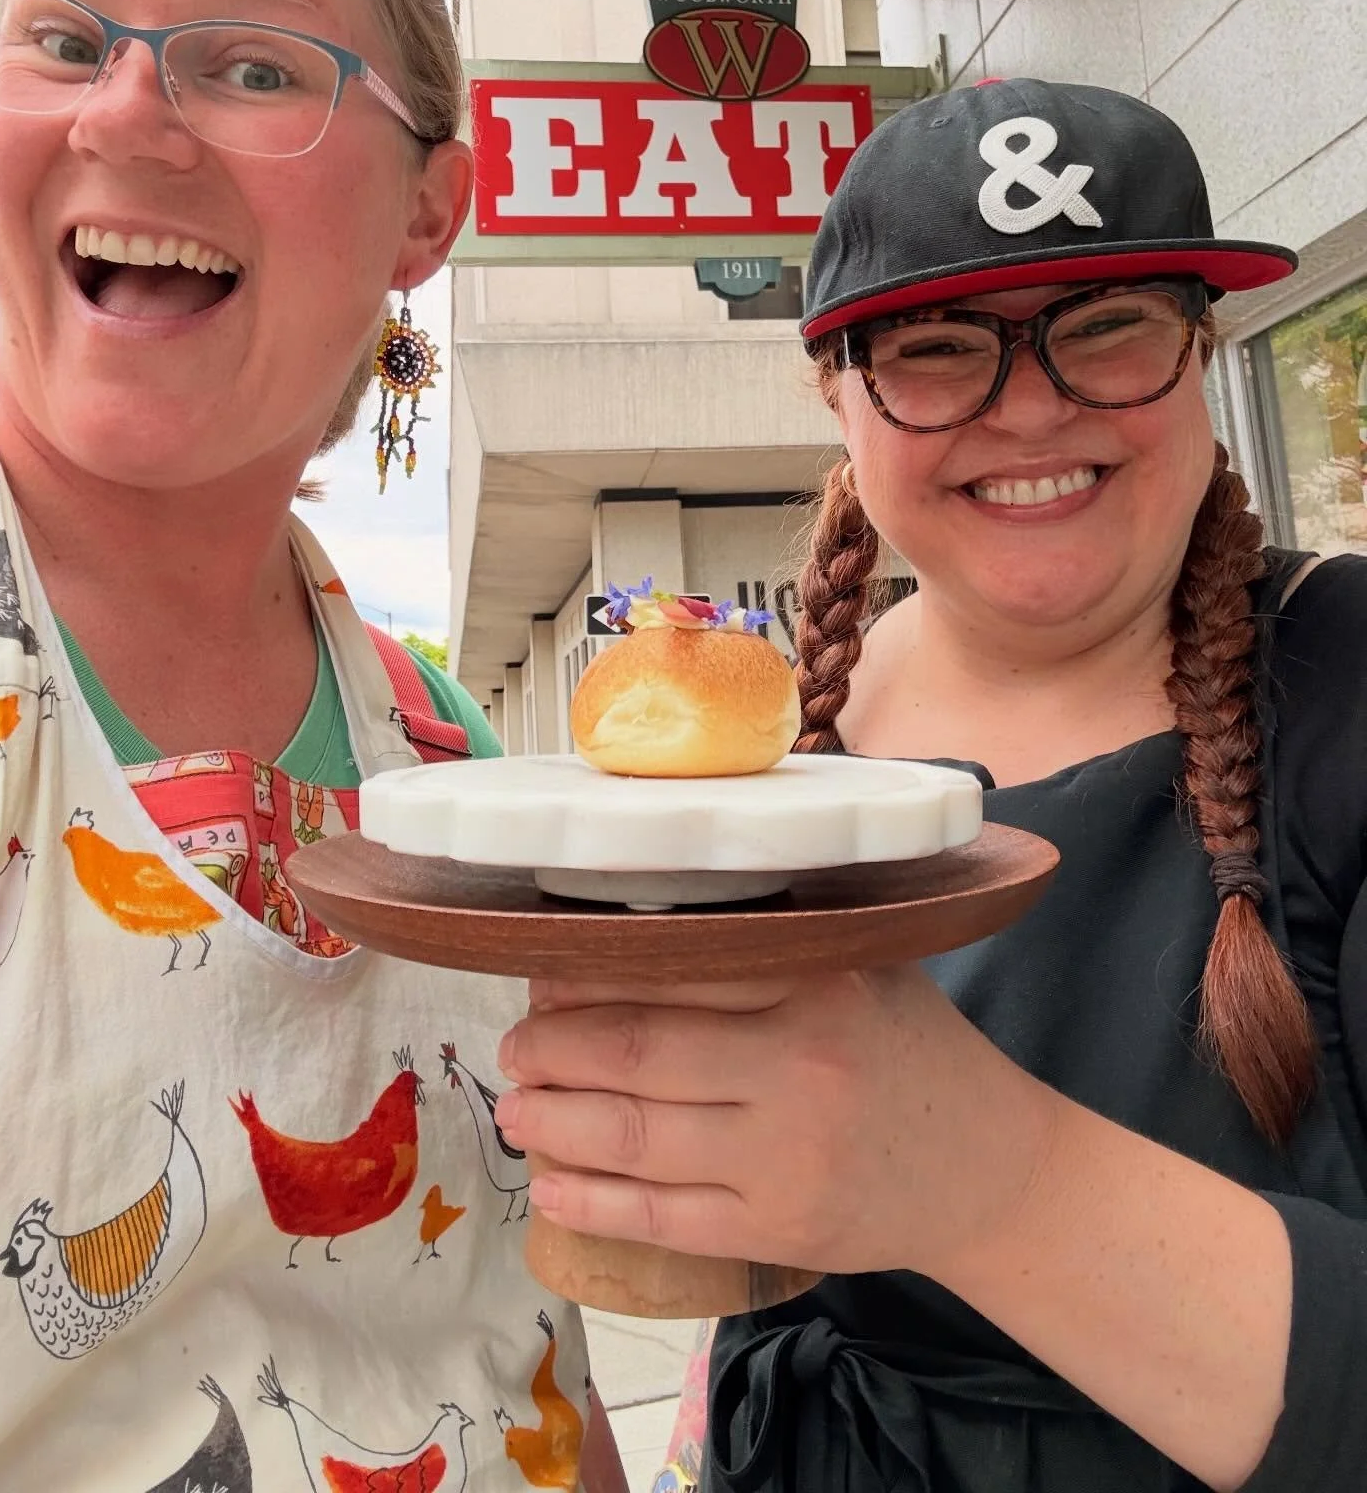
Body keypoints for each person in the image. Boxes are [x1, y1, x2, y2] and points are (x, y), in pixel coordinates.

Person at [493, 78, 1367, 1492]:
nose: (1030, 410)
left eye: (1106, 325)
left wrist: (995, 1183)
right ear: (840, 399)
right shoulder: (779, 742)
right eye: (939, 350)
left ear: (1202, 350)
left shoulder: (1347, 685)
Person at [0, 0, 624, 1493]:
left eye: (251, 66)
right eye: (63, 37)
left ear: (428, 213)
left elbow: (534, 1355)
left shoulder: (447, 757)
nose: (129, 113)